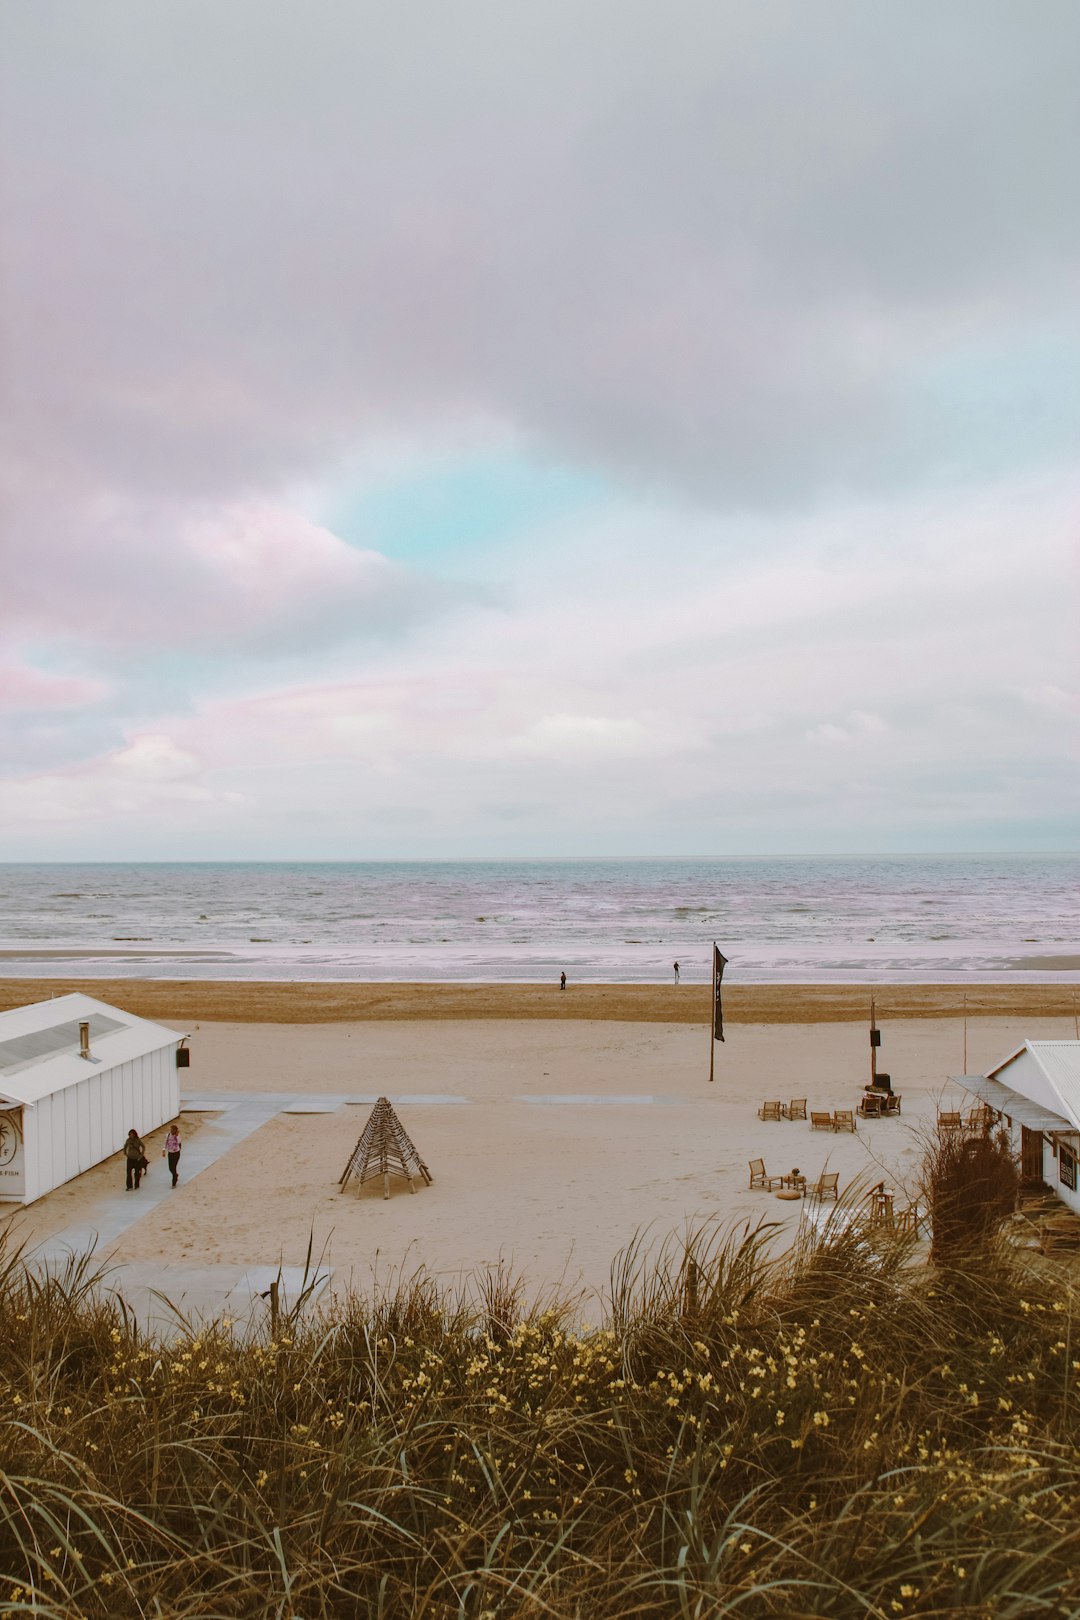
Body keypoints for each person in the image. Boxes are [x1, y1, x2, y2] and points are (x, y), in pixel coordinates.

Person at [163, 1122, 182, 1187]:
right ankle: (175, 1175)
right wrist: (163, 1150)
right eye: (170, 1130)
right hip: (170, 1153)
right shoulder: (168, 1135)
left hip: (176, 1153)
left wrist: (176, 1136)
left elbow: (179, 1142)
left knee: (174, 1167)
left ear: (175, 1130)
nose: (171, 1131)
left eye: (172, 1130)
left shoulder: (178, 1136)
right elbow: (165, 1142)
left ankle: (174, 1182)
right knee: (170, 1168)